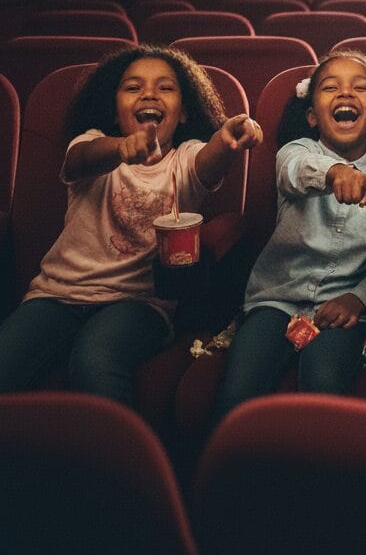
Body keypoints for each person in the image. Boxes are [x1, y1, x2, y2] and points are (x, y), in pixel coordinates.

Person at [0, 45, 262, 408]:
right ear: (114, 106)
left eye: (165, 88)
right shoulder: (92, 143)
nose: (149, 94)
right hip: (57, 294)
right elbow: (80, 160)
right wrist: (122, 148)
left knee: (93, 361)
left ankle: (118, 458)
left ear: (184, 112)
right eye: (133, 87)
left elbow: (208, 161)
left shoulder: (184, 158)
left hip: (140, 304)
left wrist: (228, 139)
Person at [211, 50, 366, 423]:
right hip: (276, 299)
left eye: (360, 87)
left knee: (325, 387)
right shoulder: (295, 152)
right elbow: (296, 172)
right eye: (330, 87)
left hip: (343, 305)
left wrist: (359, 298)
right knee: (238, 392)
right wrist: (336, 173)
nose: (345, 94)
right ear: (311, 115)